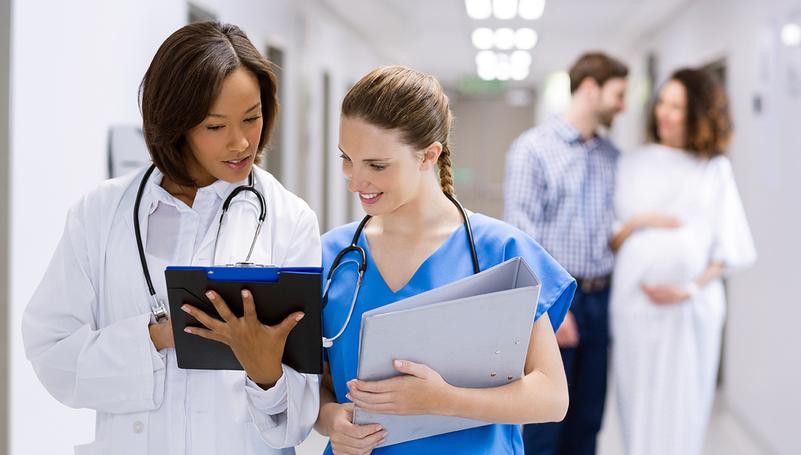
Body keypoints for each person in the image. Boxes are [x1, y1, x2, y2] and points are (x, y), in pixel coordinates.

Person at [22, 22, 320, 455]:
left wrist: (265, 371)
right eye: (215, 126)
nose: (241, 143)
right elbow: (52, 355)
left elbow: (296, 417)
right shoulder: (100, 214)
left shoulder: (289, 219)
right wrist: (156, 338)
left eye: (252, 118)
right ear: (175, 124)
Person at [313, 65, 576, 455]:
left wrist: (444, 399)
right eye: (347, 158)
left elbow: (552, 398)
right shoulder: (332, 257)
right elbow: (315, 388)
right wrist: (331, 420)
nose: (354, 180)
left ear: (429, 155)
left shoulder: (501, 251)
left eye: (377, 165)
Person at [610, 68, 756, 455]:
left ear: (698, 115)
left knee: (683, 407)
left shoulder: (714, 169)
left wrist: (688, 289)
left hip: (691, 308)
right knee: (637, 405)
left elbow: (728, 250)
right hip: (635, 308)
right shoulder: (631, 163)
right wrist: (645, 221)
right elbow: (612, 237)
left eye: (677, 107)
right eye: (662, 103)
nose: (665, 113)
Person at [504, 52, 628, 455]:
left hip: (602, 296)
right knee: (545, 422)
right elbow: (523, 238)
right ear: (590, 88)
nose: (624, 106)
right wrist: (550, 307)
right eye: (619, 94)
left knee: (588, 419)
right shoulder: (533, 150)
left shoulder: (614, 158)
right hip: (557, 300)